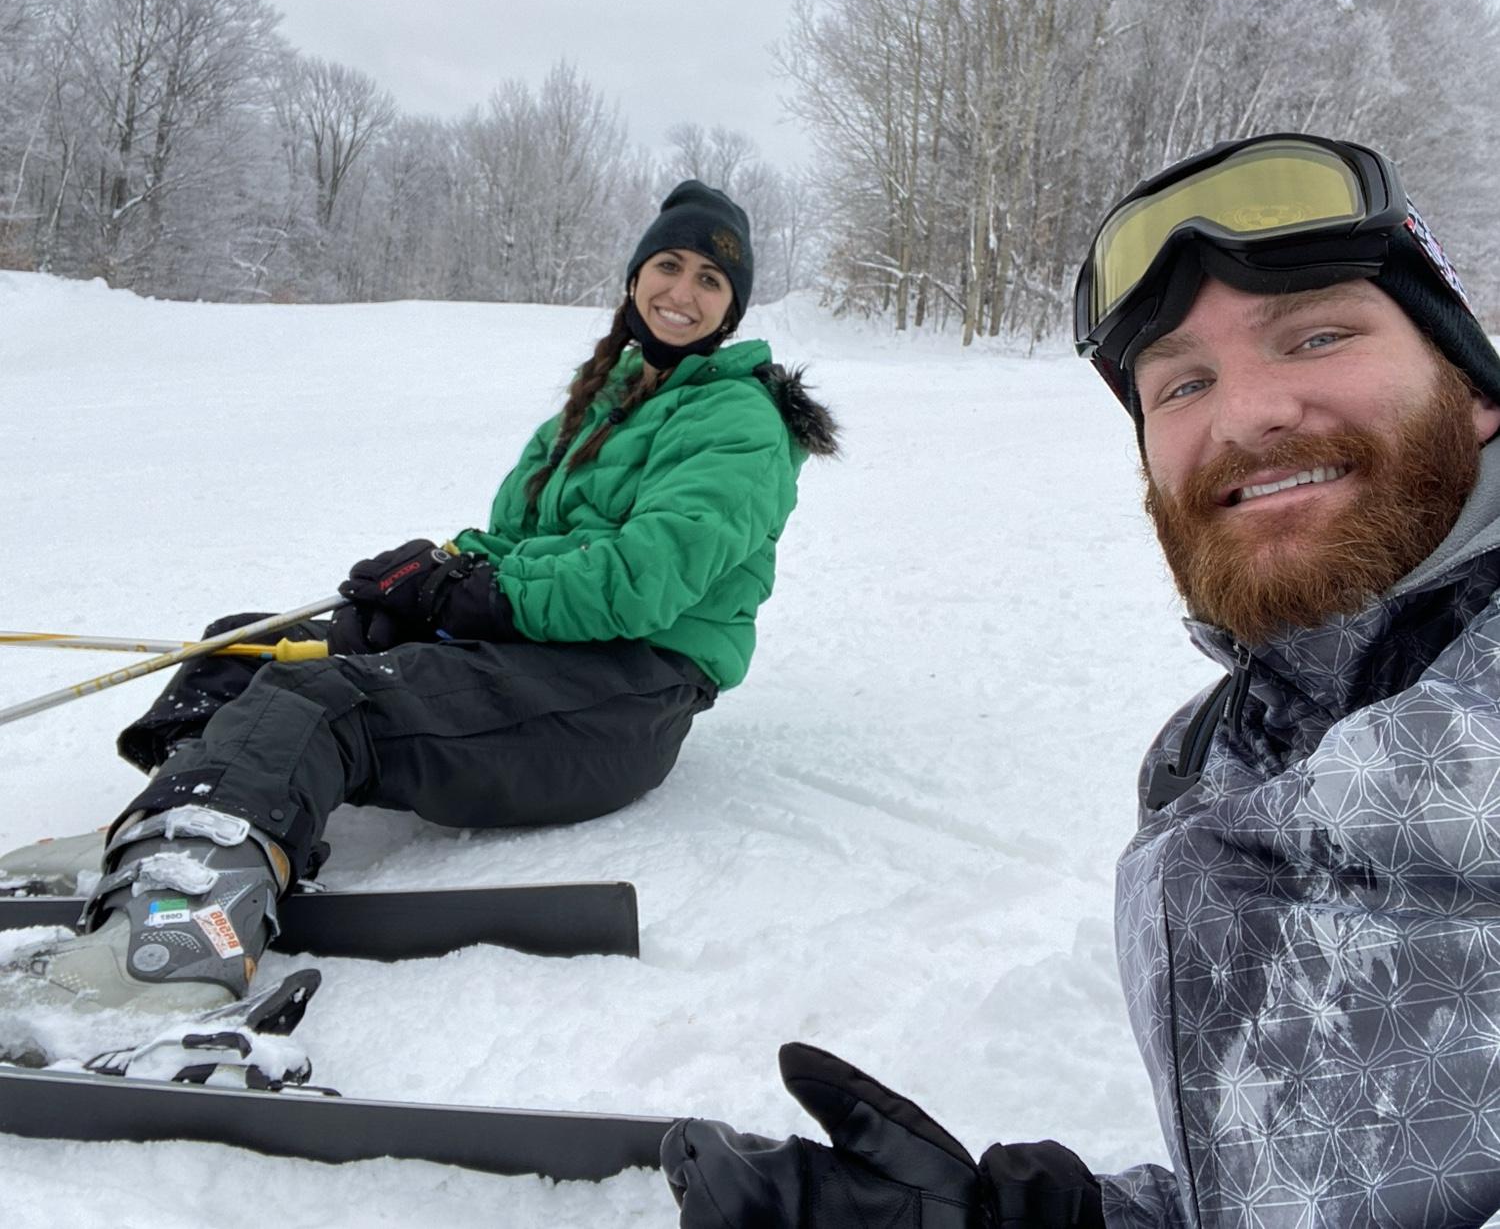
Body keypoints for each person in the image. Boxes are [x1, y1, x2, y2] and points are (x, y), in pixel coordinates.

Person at [662, 134, 1500, 1228]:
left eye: (1319, 336)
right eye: (1184, 382)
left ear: (1475, 388)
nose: (1244, 417)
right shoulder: (1224, 754)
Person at [1, 179, 837, 1019]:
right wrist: (425, 580)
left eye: (709, 280)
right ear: (633, 277)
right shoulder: (603, 402)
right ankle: (177, 828)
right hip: (547, 645)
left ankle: (174, 951)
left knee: (326, 702)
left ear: (731, 308)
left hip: (626, 690)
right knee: (244, 647)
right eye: (668, 265)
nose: (682, 293)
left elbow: (641, 580)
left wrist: (482, 596)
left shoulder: (739, 420)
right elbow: (512, 537)